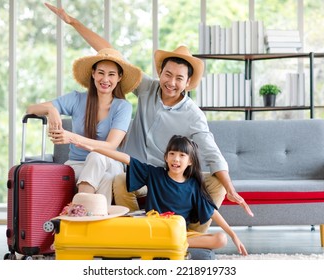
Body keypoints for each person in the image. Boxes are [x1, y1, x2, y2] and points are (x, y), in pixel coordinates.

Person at [44, 2, 253, 233]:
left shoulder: (193, 114)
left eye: (179, 78)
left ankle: (192, 235)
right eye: (168, 74)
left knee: (218, 185)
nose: (171, 83)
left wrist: (230, 187)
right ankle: (137, 232)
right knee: (121, 182)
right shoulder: (147, 88)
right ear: (160, 73)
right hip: (135, 174)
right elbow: (112, 54)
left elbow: (211, 151)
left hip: (166, 177)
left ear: (188, 83)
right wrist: (73, 22)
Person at [73, 134, 248, 255]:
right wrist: (94, 147)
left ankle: (162, 244)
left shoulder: (194, 185)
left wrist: (233, 235)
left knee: (220, 239)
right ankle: (160, 243)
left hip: (180, 234)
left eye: (182, 155)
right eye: (172, 154)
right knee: (131, 231)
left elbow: (212, 211)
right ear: (165, 157)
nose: (176, 159)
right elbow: (125, 158)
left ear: (190, 162)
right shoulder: (154, 174)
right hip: (153, 228)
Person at [26, 47, 142, 205]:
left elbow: (110, 146)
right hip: (77, 165)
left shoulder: (123, 107)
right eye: (101, 72)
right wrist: (51, 109)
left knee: (98, 155)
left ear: (119, 77)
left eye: (111, 74)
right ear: (93, 73)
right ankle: (95, 222)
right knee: (106, 178)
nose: (105, 79)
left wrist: (71, 137)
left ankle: (78, 207)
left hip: (110, 163)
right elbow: (31, 109)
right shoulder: (76, 99)